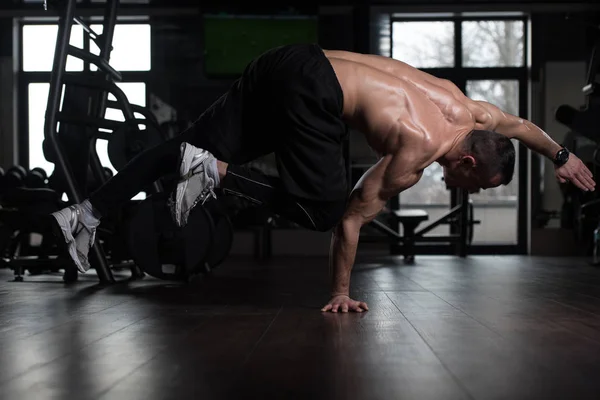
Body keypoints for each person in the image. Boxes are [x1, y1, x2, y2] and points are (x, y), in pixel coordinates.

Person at [50, 43, 595, 313]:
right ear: (470, 164)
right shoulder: (420, 149)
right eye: (474, 187)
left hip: (287, 62)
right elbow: (349, 221)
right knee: (323, 208)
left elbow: (523, 126)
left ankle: (85, 215)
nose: (465, 192)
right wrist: (340, 291)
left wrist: (561, 154)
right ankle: (212, 171)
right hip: (314, 92)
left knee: (177, 149)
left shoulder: (472, 108)